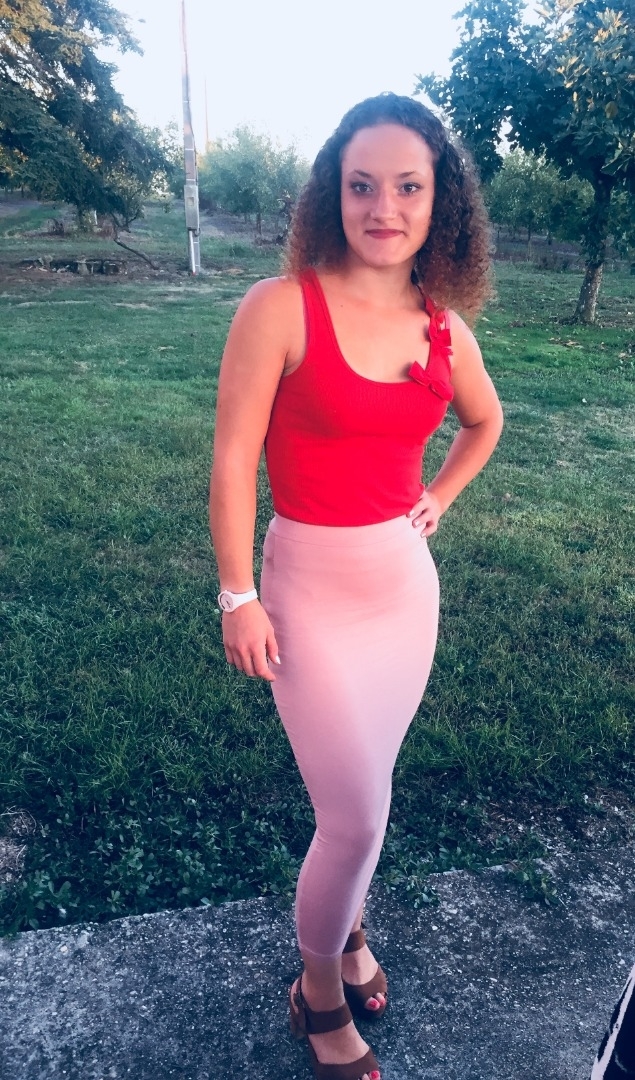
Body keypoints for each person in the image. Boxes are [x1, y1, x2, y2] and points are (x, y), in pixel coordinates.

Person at [209, 92, 504, 1080]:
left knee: (365, 792)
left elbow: (484, 422)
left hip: (402, 594)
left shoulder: (442, 327)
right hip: (307, 590)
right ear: (331, 194)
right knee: (356, 818)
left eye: (407, 187)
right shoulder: (278, 306)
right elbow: (232, 457)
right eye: (361, 185)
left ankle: (346, 930)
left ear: (439, 201)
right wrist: (236, 593)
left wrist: (438, 498)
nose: (384, 207)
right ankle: (317, 992)